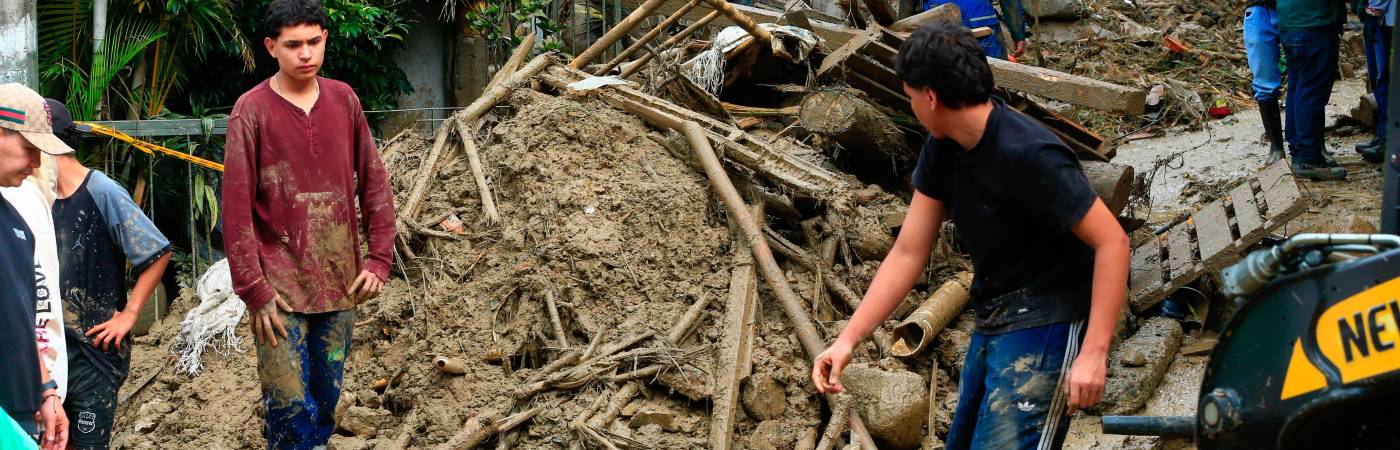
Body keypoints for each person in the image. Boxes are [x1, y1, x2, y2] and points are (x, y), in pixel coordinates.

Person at [808, 23, 1129, 449]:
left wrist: (1093, 353)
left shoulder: (1030, 154)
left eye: (909, 95)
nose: (911, 103)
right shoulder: (943, 147)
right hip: (994, 311)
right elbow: (908, 252)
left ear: (930, 96)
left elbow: (1112, 241)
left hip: (1051, 317)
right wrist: (848, 339)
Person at [222, 0, 396, 447]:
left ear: (325, 40)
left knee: (326, 399)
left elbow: (374, 183)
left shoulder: (344, 100)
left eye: (314, 42)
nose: (306, 54)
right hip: (277, 292)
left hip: (341, 284)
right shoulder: (251, 110)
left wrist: (378, 260)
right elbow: (236, 210)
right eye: (293, 45)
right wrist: (254, 291)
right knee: (289, 406)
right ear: (271, 47)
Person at [48, 98, 173, 450]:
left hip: (95, 350)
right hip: (49, 351)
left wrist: (129, 315)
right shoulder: (35, 196)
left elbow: (157, 252)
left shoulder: (101, 190)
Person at [0, 82, 71, 450]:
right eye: (29, 149)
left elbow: (24, 318)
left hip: (21, 414)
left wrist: (46, 390)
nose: (36, 163)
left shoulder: (17, 224)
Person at [1277, 0, 1348, 180]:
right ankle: (1309, 159)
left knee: (1298, 87)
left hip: (1290, 23)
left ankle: (1299, 153)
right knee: (1311, 92)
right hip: (1314, 23)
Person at [1242, 0, 1287, 164]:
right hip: (1259, 9)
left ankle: (1310, 146)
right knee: (1264, 82)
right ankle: (1276, 147)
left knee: (1304, 77)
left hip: (1295, 9)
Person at [921, 0, 1028, 59]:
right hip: (980, 17)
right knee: (997, 80)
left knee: (945, 81)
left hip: (938, 18)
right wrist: (1018, 33)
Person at [1356, 0, 1393, 162]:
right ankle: (1382, 133)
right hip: (1377, 15)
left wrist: (1373, 11)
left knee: (1385, 80)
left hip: (1386, 18)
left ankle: (1389, 139)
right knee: (1378, 79)